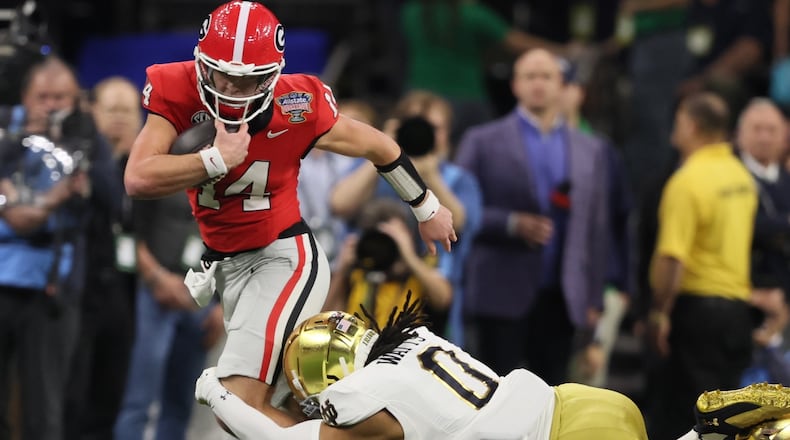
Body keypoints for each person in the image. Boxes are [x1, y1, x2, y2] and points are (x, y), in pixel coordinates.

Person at [123, 0, 457, 428]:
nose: (231, 90)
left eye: (248, 81)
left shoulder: (299, 103)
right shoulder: (175, 87)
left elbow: (379, 146)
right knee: (258, 414)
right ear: (201, 64)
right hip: (228, 266)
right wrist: (213, 160)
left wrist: (426, 207)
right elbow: (138, 177)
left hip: (283, 257)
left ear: (272, 76)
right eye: (222, 74)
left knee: (237, 405)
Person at [195, 295, 790, 440]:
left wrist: (214, 391)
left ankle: (708, 432)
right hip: (583, 403)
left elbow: (273, 435)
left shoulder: (364, 403)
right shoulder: (416, 340)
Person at [454, 48, 609, 385]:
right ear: (515, 85)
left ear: (561, 85)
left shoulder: (589, 148)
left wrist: (594, 296)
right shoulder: (481, 140)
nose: (538, 84)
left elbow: (595, 228)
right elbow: (455, 209)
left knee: (553, 393)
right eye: (530, 76)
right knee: (493, 392)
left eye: (547, 76)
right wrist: (510, 223)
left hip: (561, 293)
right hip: (500, 288)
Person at [0, 55, 119, 440]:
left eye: (61, 97)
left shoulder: (86, 134)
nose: (51, 106)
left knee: (45, 406)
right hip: (3, 277)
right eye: (43, 97)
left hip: (53, 288)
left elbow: (113, 198)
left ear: (77, 99)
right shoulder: (7, 127)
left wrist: (83, 175)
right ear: (25, 97)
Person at [646, 92, 759, 439]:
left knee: (684, 421)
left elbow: (672, 258)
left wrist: (660, 313)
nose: (673, 130)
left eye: (678, 122)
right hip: (737, 313)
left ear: (691, 126)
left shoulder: (688, 180)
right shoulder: (741, 177)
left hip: (696, 318)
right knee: (726, 423)